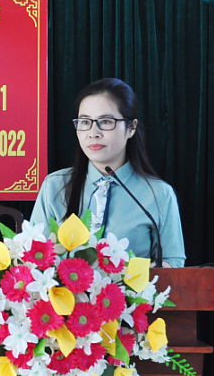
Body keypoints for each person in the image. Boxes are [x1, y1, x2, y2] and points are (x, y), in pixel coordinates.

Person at [30, 78, 185, 267]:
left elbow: (173, 262)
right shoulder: (54, 186)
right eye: (85, 122)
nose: (93, 133)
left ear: (131, 128)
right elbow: (33, 256)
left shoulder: (159, 194)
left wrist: (133, 279)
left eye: (105, 121)